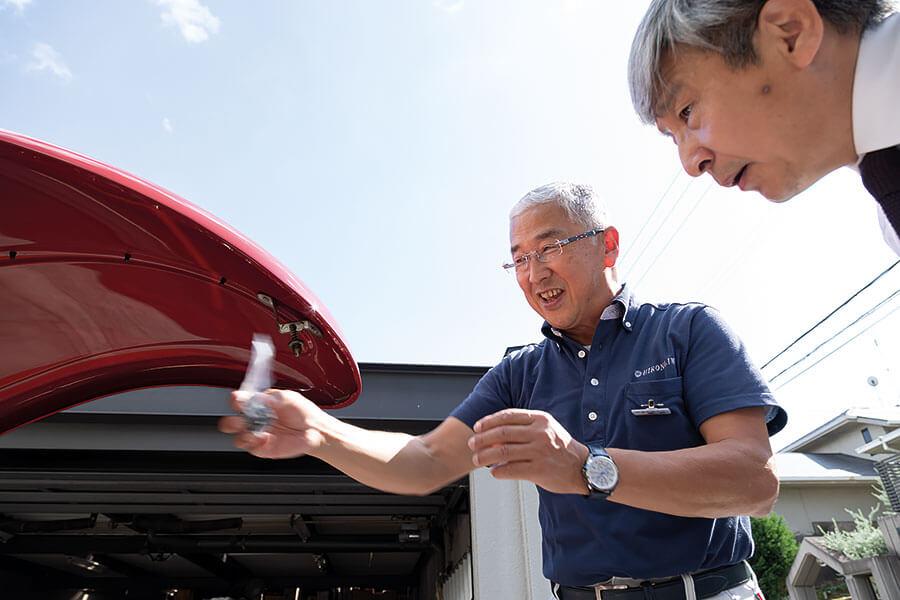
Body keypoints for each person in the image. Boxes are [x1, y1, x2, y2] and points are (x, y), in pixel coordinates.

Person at [219, 182, 787, 599]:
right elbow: (422, 462)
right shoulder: (521, 373)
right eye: (517, 258)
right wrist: (319, 431)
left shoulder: (688, 331)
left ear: (607, 246)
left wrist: (587, 468)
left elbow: (755, 484)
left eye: (549, 247)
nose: (532, 272)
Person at [628, 0, 900, 255]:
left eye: (686, 111)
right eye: (673, 138)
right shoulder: (889, 218)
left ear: (790, 32)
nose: (690, 164)